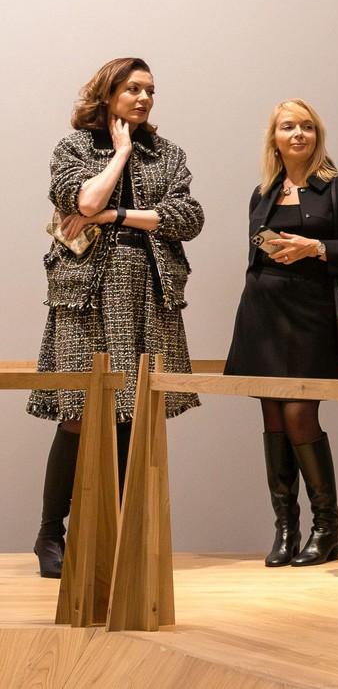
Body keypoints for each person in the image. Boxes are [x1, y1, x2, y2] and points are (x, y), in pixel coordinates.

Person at [28, 57, 204, 578]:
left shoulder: (169, 155)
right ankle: (51, 534)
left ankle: (124, 533)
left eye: (150, 90)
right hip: (85, 296)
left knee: (135, 415)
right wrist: (121, 153)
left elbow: (187, 217)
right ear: (108, 94)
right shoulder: (74, 148)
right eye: (133, 89)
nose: (144, 98)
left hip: (147, 292)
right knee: (78, 415)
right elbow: (84, 200)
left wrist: (118, 215)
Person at [224, 99, 338, 567]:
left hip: (311, 314)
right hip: (262, 313)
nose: (299, 134)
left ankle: (327, 528)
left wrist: (317, 248)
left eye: (307, 126)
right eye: (288, 127)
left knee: (299, 414)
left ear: (317, 134)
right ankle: (285, 528)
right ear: (275, 138)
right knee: (272, 417)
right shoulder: (262, 192)